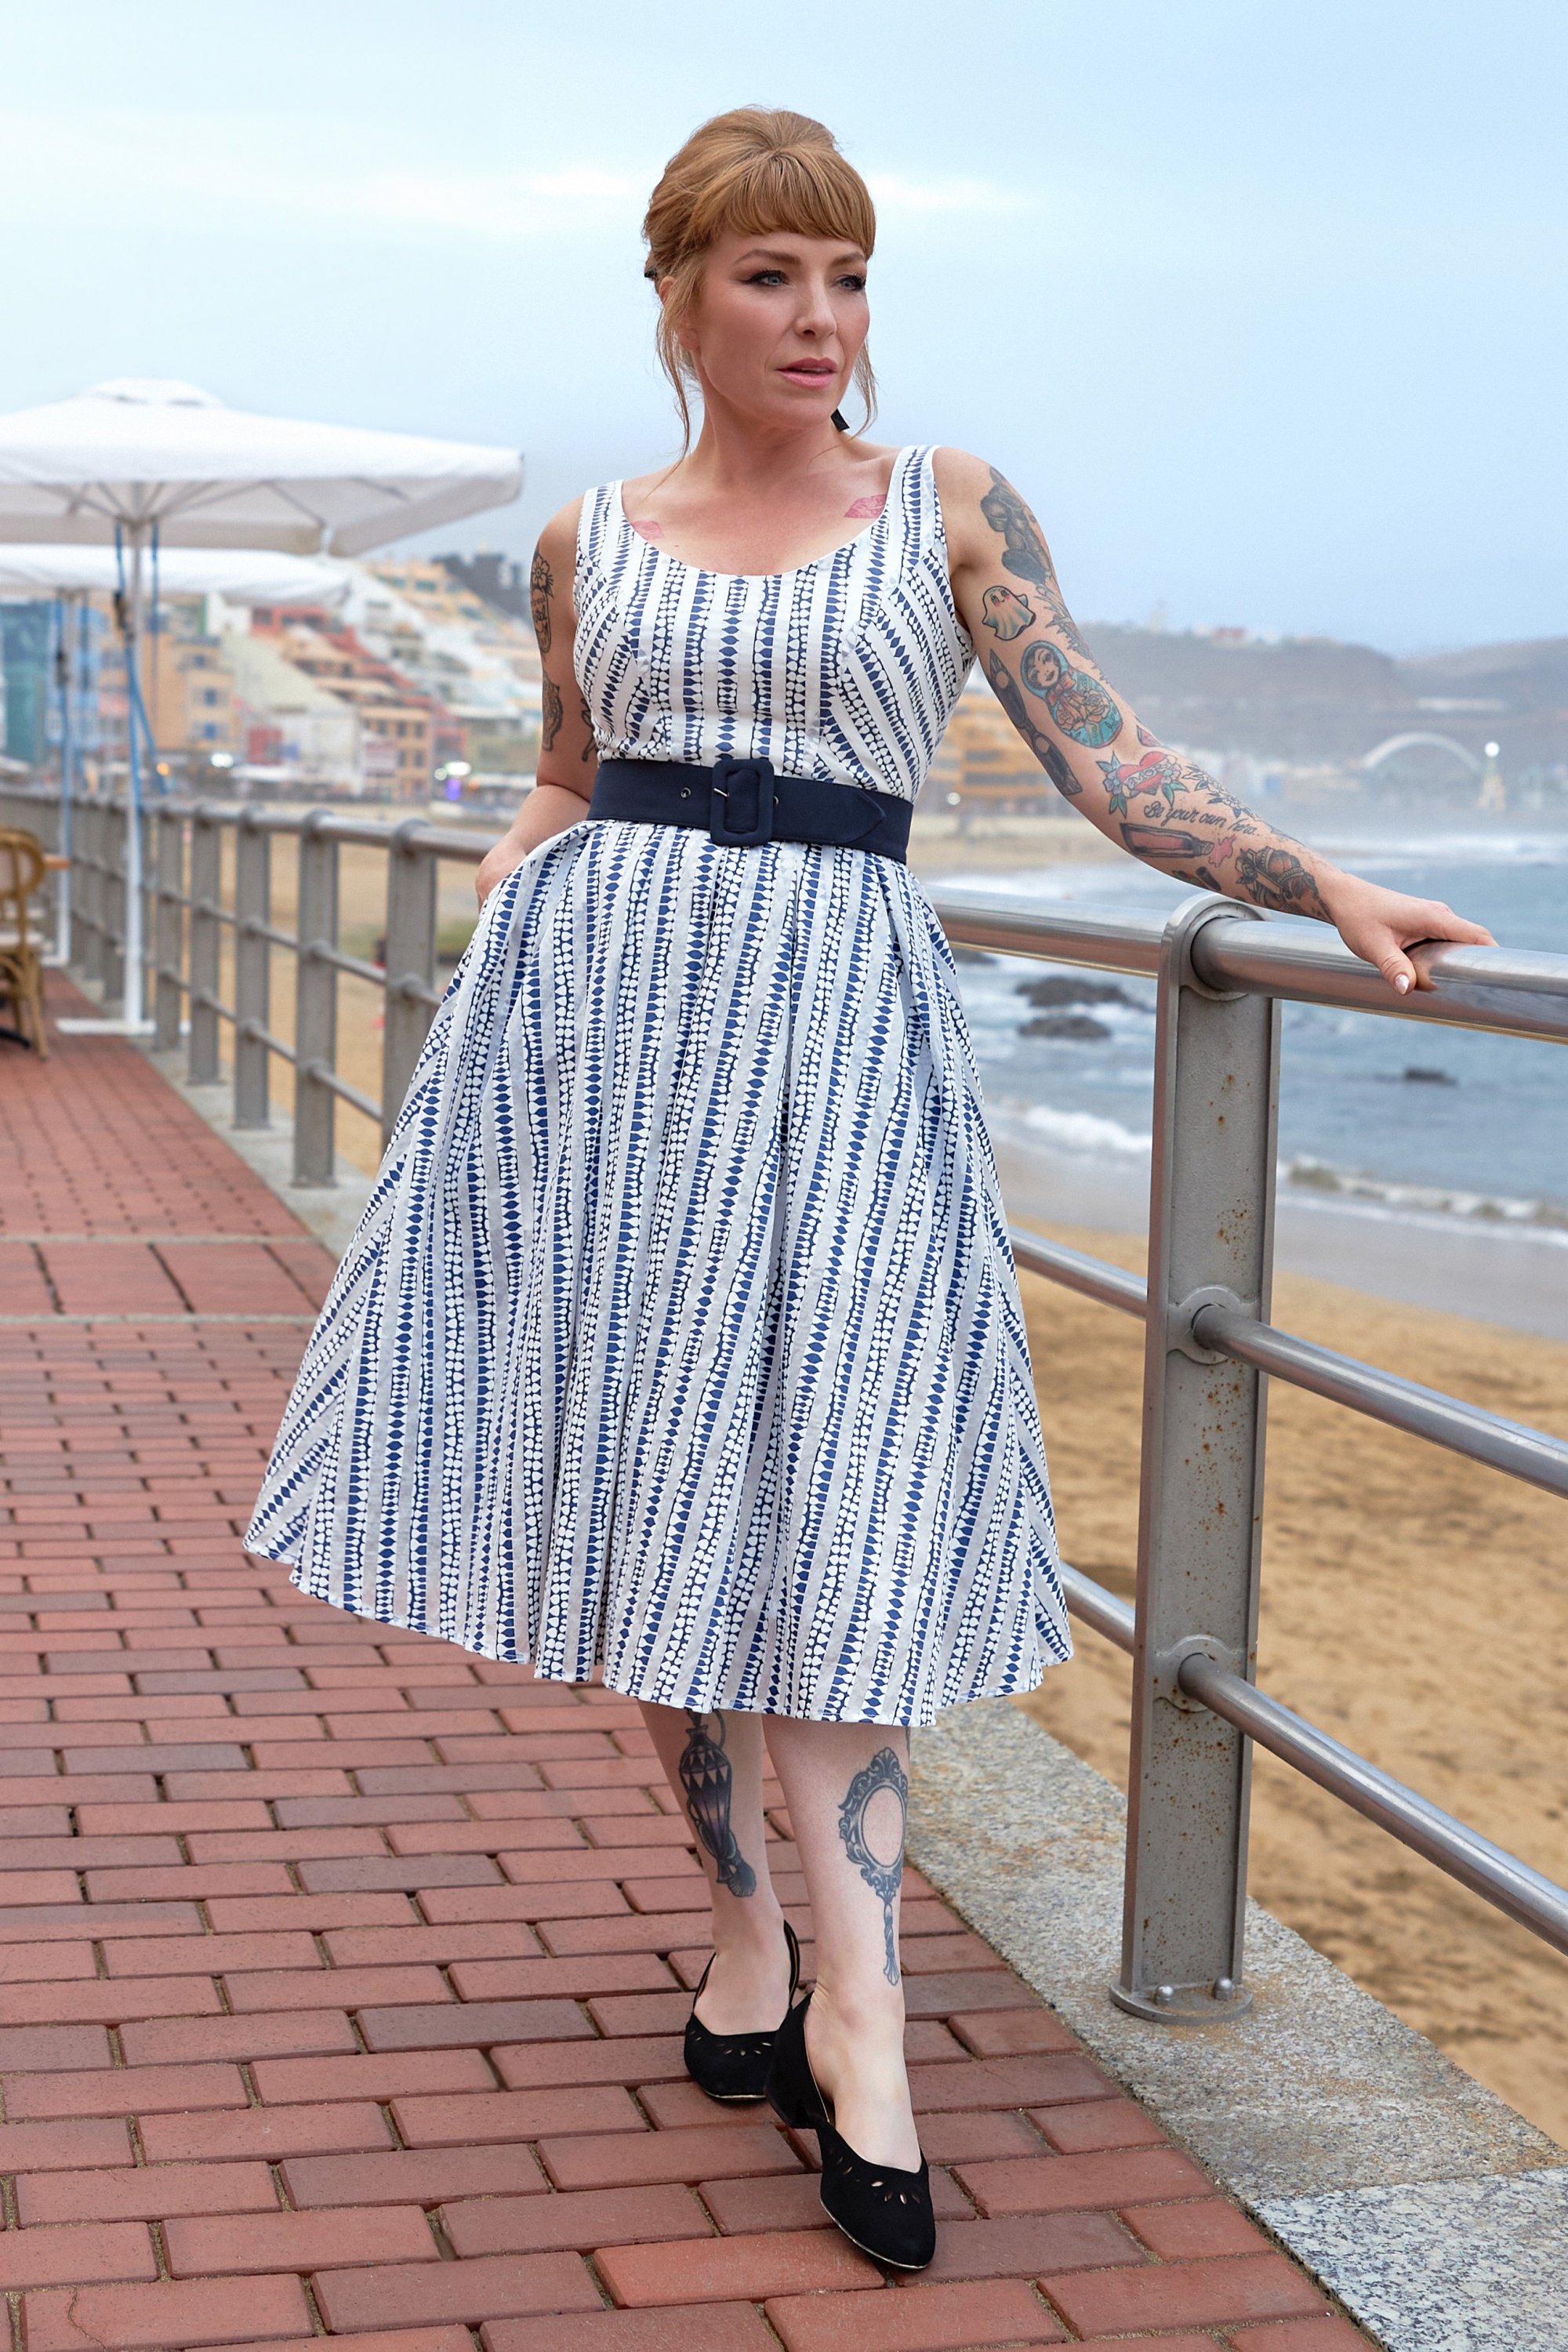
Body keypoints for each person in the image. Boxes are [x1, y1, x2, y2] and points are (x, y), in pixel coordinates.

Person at [245, 107, 1492, 2270]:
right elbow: (567, 773)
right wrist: (502, 903)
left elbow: (1110, 757)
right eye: (771, 276)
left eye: (847, 278)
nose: (819, 319)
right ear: (679, 297)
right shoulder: (586, 541)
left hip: (835, 1048)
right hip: (602, 1049)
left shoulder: (948, 508)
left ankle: (868, 2023)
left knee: (831, 1501)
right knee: (655, 1498)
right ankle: (749, 1939)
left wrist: (1321, 883)